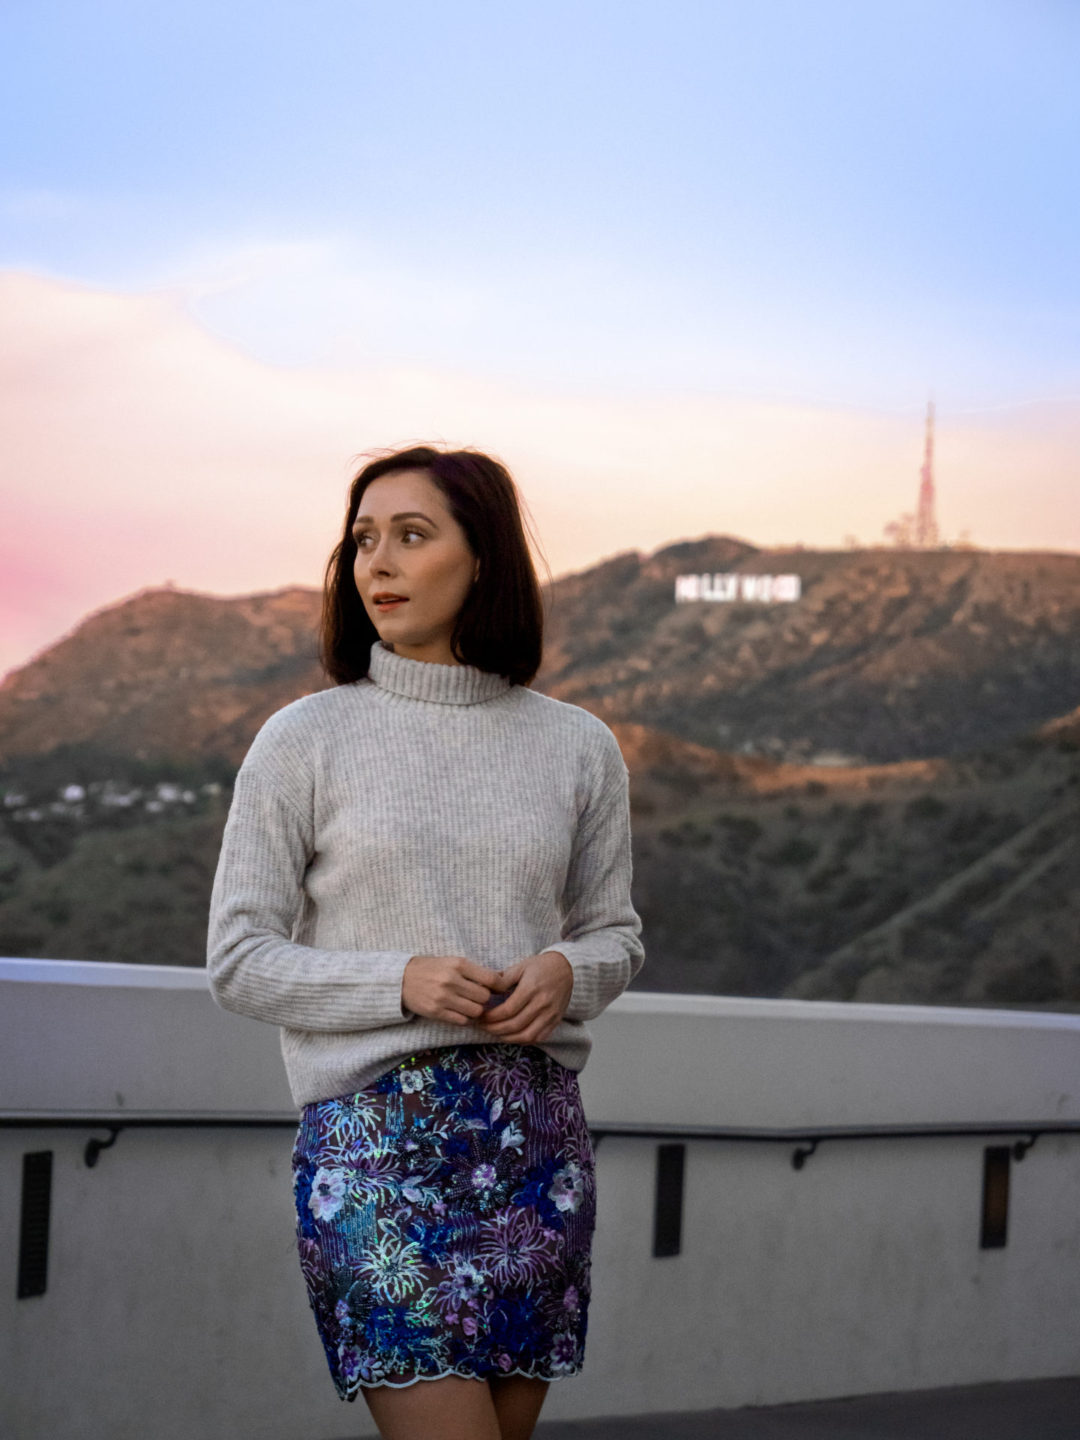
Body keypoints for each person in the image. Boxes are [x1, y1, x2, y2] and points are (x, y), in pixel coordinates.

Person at [206, 444, 645, 1440]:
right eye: (363, 540)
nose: (379, 564)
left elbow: (616, 933)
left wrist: (566, 969)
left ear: (482, 558)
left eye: (412, 535)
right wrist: (401, 980)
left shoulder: (578, 746)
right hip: (374, 1149)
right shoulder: (304, 739)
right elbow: (238, 956)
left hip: (533, 1145)